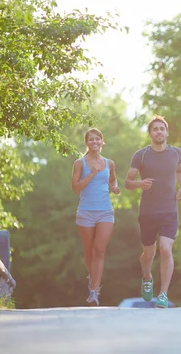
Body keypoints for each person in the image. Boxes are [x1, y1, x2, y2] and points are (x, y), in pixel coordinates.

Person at [125, 115, 181, 308]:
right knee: (148, 255)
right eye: (155, 129)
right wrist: (139, 184)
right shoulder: (141, 155)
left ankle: (163, 294)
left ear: (167, 132)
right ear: (150, 133)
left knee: (166, 249)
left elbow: (179, 171)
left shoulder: (176, 153)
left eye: (162, 128)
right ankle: (147, 276)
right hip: (148, 212)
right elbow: (127, 182)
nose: (159, 131)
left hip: (169, 210)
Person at [71, 128, 120, 306]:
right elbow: (75, 189)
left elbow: (113, 180)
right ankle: (92, 278)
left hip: (105, 211)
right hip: (85, 212)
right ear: (87, 143)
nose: (94, 142)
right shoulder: (79, 163)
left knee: (99, 250)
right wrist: (92, 173)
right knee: (89, 252)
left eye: (97, 139)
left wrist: (114, 187)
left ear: (102, 141)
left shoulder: (110, 163)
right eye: (91, 139)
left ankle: (94, 292)